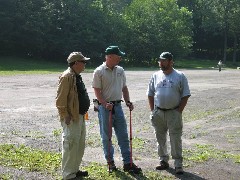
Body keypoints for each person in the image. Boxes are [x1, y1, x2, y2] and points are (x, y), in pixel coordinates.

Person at [92, 45, 142, 174]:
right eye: (118, 56)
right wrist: (103, 103)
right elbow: (97, 90)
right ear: (109, 57)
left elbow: (124, 87)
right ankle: (110, 162)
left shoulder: (120, 70)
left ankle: (128, 162)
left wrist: (128, 101)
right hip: (105, 108)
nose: (120, 58)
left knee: (123, 135)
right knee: (106, 137)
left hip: (118, 106)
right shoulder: (99, 71)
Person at [146, 52, 191, 175]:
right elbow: (150, 94)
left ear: (171, 62)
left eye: (164, 60)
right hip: (158, 112)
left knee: (175, 138)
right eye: (160, 60)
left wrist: (179, 110)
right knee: (160, 138)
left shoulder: (180, 76)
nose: (161, 63)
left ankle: (178, 164)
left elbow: (185, 95)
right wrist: (152, 110)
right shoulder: (155, 75)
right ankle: (163, 161)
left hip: (173, 112)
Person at [56, 52, 90, 180]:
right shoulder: (67, 77)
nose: (85, 64)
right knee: (70, 145)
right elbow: (60, 100)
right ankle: (68, 175)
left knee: (79, 144)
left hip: (79, 116)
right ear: (76, 63)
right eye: (83, 62)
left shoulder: (76, 76)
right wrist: (65, 115)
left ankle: (74, 170)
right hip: (71, 117)